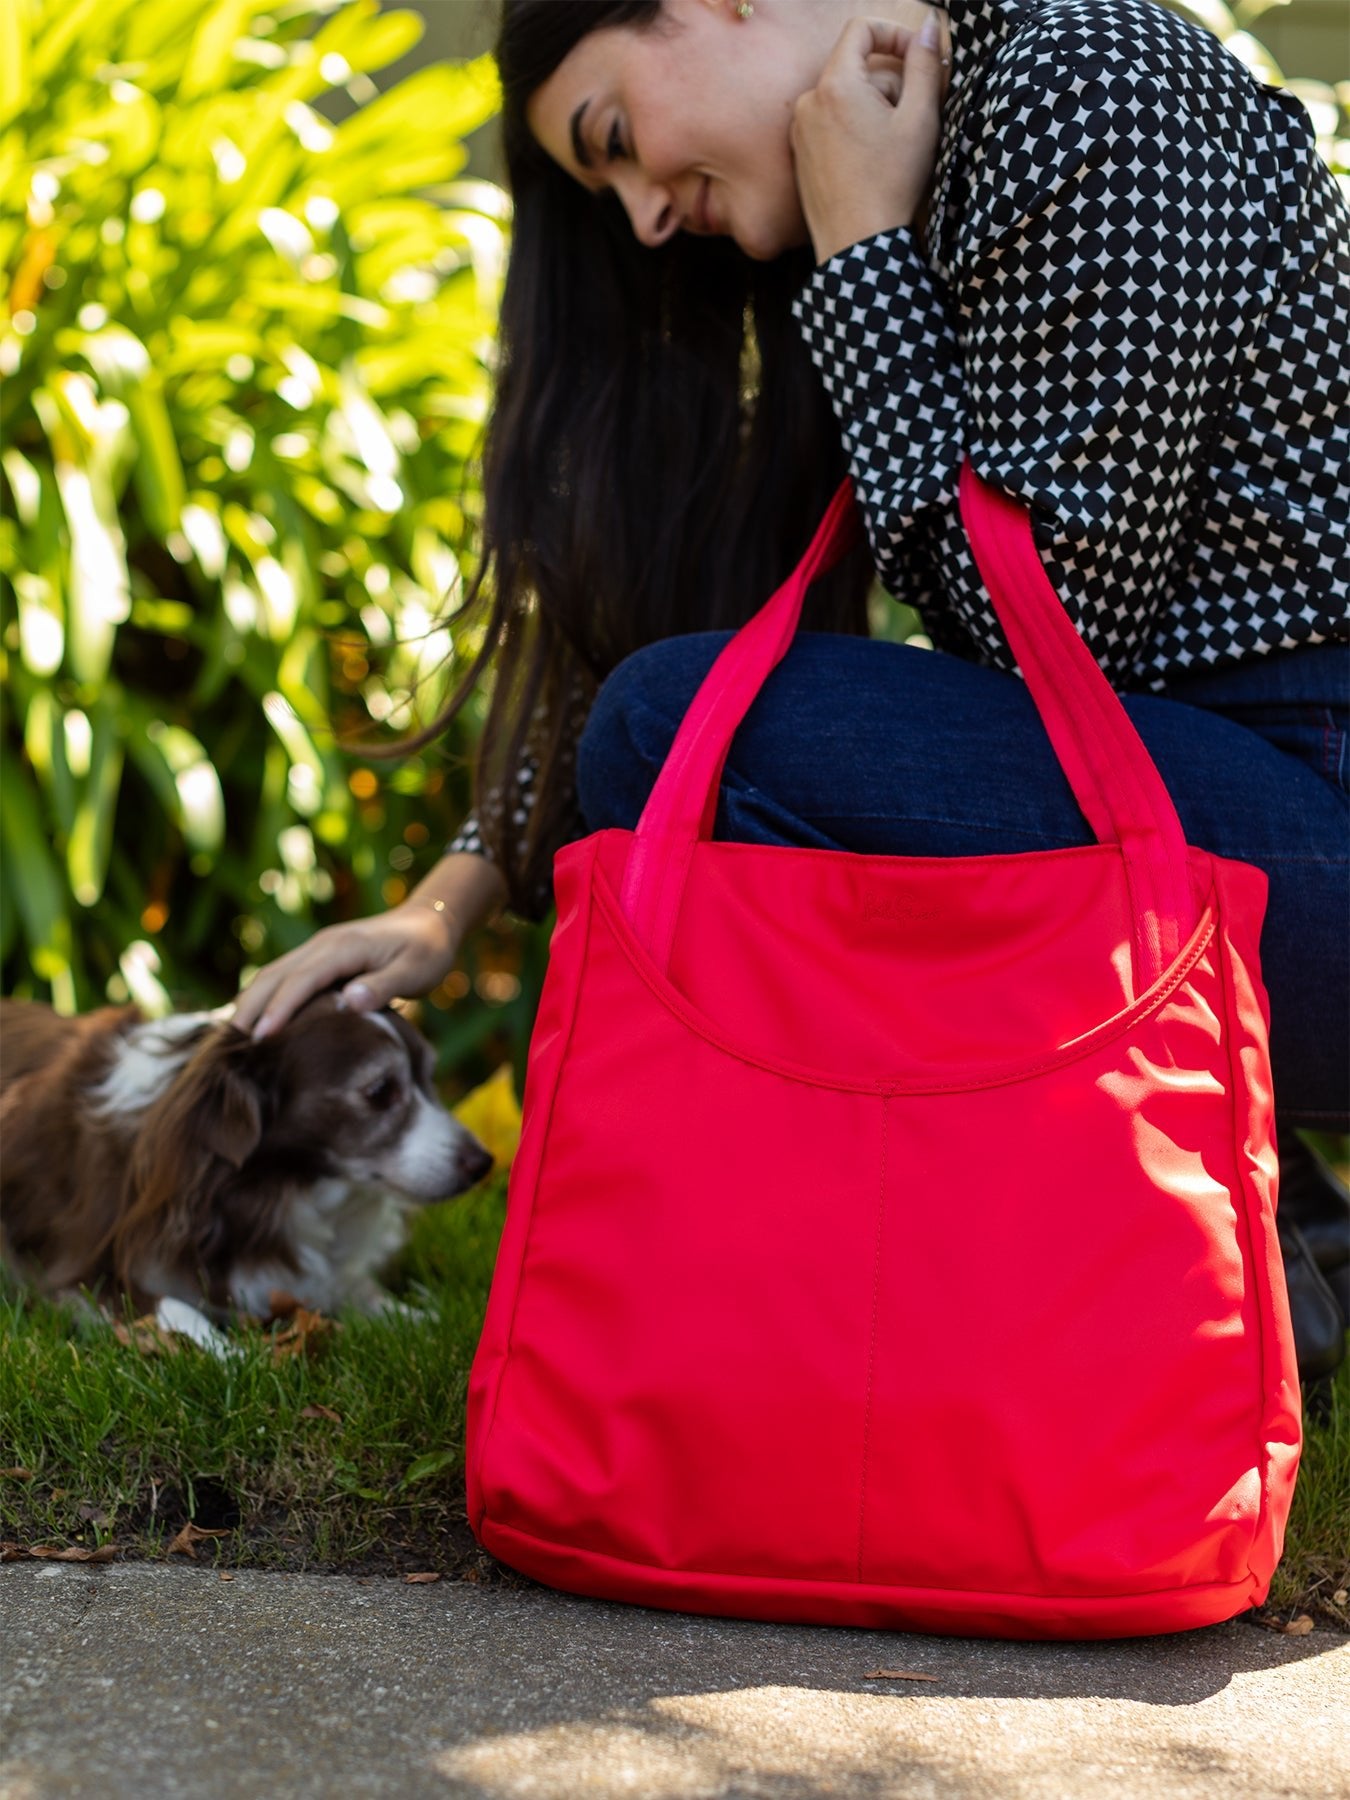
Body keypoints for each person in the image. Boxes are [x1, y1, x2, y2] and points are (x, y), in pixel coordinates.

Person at [230, 0, 1348, 1386]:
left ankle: (1188, 1220)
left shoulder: (1076, 82)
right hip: (1232, 821)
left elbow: (1058, 620)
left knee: (668, 724)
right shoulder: (919, 141)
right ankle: (1252, 1219)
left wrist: (865, 255)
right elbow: (711, 633)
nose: (642, 216)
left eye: (619, 141)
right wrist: (447, 898)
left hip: (1312, 801)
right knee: (682, 716)